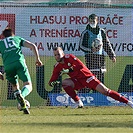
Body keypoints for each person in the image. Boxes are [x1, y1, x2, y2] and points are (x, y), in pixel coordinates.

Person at [48, 47, 133, 108]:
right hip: (77, 81)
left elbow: (79, 66)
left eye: (58, 54)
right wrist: (53, 83)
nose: (57, 57)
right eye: (55, 55)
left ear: (63, 53)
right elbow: (52, 80)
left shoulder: (69, 57)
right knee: (65, 83)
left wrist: (67, 71)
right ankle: (79, 103)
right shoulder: (57, 66)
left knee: (105, 91)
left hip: (87, 77)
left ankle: (128, 102)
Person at [0, 27, 43, 114]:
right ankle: (22, 97)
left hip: (8, 66)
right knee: (28, 84)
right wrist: (37, 59)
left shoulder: (1, 43)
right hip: (19, 63)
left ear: (3, 37)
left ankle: (22, 103)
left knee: (15, 86)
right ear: (13, 34)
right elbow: (32, 46)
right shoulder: (17, 39)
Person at [79, 14, 116, 93]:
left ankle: (99, 98)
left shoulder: (102, 31)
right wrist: (91, 50)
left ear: (97, 21)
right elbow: (81, 46)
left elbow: (106, 44)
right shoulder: (85, 32)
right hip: (90, 58)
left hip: (101, 58)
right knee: (90, 78)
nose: (92, 22)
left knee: (100, 77)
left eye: (94, 20)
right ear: (88, 21)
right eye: (90, 20)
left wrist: (112, 55)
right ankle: (86, 96)